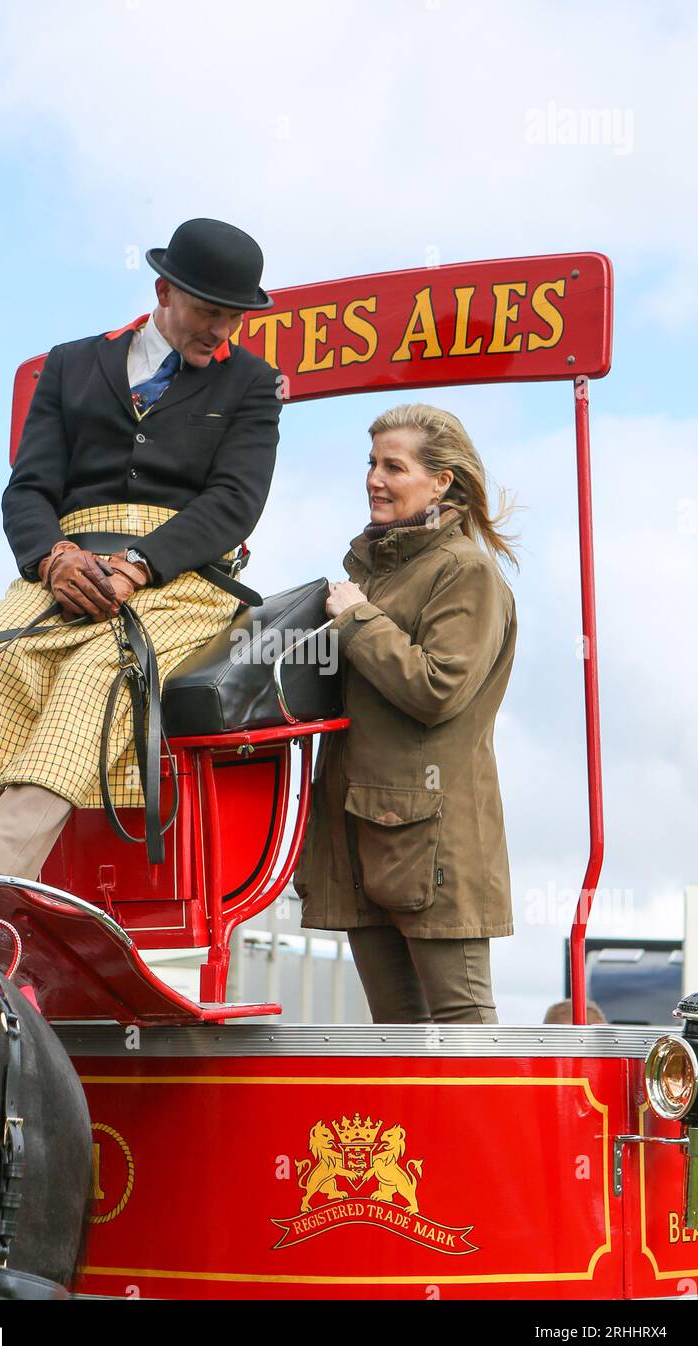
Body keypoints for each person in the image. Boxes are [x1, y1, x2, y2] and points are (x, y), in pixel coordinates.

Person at [0, 218, 283, 880]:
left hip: (178, 580)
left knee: (98, 679)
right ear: (164, 291)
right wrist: (54, 557)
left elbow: (233, 502)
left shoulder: (254, 386)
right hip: (63, 567)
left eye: (234, 318)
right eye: (208, 311)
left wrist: (138, 566)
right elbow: (27, 489)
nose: (221, 331)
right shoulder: (72, 364)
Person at [293, 403, 517, 1024]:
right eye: (371, 463)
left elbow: (437, 688)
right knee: (397, 1048)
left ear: (442, 481)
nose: (374, 478)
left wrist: (356, 618)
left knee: (464, 1038)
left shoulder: (465, 572)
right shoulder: (377, 577)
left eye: (394, 465)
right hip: (362, 838)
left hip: (436, 847)